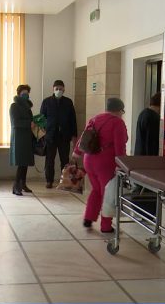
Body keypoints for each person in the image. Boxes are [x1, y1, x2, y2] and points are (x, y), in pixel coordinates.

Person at [73, 97, 128, 233]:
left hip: (89, 160)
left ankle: (88, 218)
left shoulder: (95, 118)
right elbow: (120, 146)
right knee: (107, 194)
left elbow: (84, 137)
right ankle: (106, 226)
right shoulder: (117, 122)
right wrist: (122, 164)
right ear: (119, 110)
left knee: (96, 190)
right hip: (105, 163)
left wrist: (77, 152)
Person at [40, 80, 78, 188]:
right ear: (53, 89)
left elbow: (73, 120)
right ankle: (49, 181)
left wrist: (74, 135)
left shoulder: (68, 102)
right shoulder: (46, 102)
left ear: (64, 89)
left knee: (65, 160)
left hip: (64, 136)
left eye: (60, 89)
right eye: (56, 89)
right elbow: (41, 119)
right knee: (49, 160)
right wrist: (43, 134)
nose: (58, 91)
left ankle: (65, 182)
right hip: (50, 136)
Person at [9, 84, 35, 196]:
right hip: (19, 138)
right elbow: (15, 123)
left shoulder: (28, 107)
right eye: (24, 93)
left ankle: (23, 184)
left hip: (27, 138)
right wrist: (29, 123)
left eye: (27, 93)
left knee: (25, 163)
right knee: (21, 163)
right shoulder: (14, 106)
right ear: (19, 94)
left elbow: (31, 120)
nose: (26, 95)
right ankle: (16, 186)